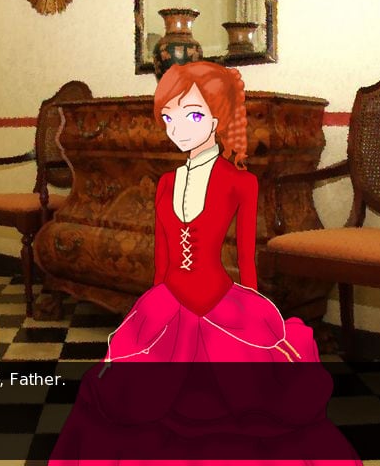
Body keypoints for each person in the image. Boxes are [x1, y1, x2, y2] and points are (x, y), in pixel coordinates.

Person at [49, 61, 363, 465]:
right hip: (167, 304)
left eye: (192, 115)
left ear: (218, 118)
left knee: (239, 408)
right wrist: (151, 314)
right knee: (134, 399)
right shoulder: (166, 183)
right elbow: (163, 262)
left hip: (222, 303)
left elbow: (246, 260)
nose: (178, 128)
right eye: (169, 118)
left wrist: (251, 318)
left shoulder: (241, 182)